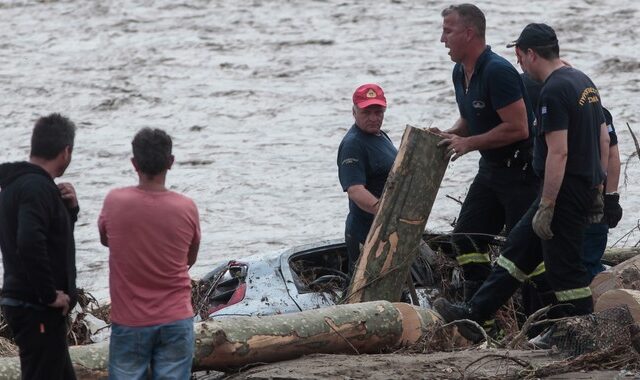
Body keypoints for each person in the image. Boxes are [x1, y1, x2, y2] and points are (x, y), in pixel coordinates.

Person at [434, 23, 610, 344]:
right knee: (516, 251)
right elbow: (601, 137)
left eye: (520, 57)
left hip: (561, 194)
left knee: (564, 271)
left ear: (531, 54)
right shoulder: (583, 82)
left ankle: (580, 332)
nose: (520, 66)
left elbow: (559, 151)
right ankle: (476, 313)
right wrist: (599, 188)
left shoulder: (553, 91)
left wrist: (548, 204)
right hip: (578, 189)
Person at [434, 3, 539, 307]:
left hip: (520, 173)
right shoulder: (460, 72)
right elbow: (472, 118)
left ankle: (541, 320)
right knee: (466, 237)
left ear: (469, 33)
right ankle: (479, 312)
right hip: (490, 170)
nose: (443, 39)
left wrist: (469, 144)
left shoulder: (498, 71)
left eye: (448, 31)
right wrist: (453, 133)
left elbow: (519, 128)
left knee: (528, 251)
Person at [98, 128, 201, 379]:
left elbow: (106, 240)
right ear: (171, 162)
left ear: (134, 163)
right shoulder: (186, 207)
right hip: (176, 318)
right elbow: (190, 258)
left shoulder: (114, 201)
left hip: (130, 321)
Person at [0, 113, 79, 380]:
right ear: (66, 152)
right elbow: (29, 242)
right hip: (36, 307)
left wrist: (70, 212)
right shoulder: (35, 188)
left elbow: (52, 242)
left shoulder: (21, 184)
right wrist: (49, 295)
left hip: (31, 304)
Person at [337, 83, 397, 275]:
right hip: (366, 234)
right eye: (367, 112)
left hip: (387, 232)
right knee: (364, 295)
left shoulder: (381, 136)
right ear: (354, 112)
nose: (373, 118)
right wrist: (385, 213)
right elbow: (355, 190)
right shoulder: (353, 144)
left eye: (378, 112)